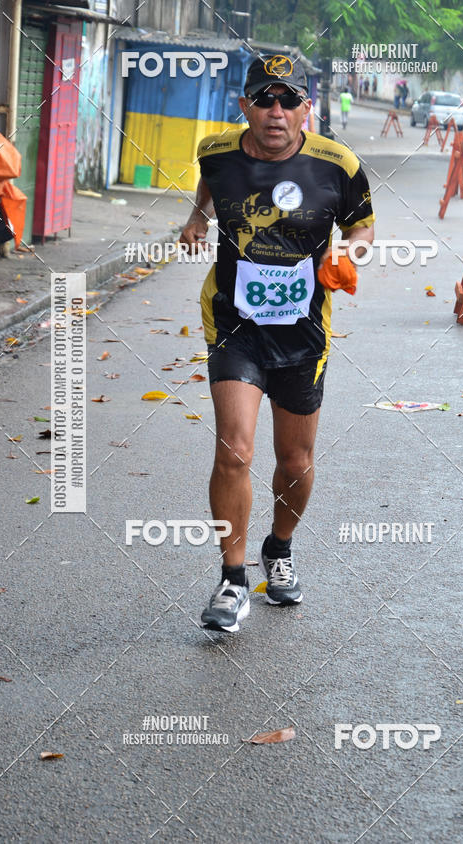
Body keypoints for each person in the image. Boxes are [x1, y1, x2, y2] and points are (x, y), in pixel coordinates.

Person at [179, 54, 375, 633]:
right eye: (264, 98)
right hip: (234, 323)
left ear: (306, 109)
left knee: (295, 460)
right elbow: (210, 184)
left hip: (303, 331)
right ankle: (232, 580)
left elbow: (362, 226)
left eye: (289, 100)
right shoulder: (216, 151)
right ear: (245, 106)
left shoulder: (338, 166)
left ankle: (279, 546)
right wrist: (195, 219)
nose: (276, 111)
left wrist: (348, 253)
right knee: (234, 451)